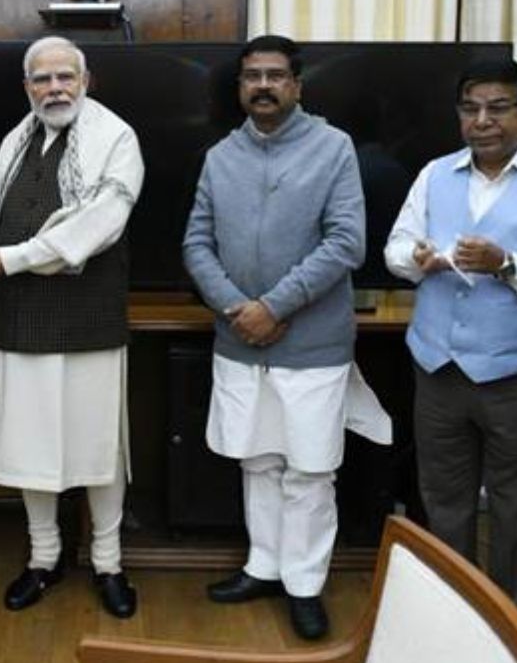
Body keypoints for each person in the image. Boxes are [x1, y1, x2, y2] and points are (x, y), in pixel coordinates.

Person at [384, 59, 517, 614]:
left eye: (498, 108)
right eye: (471, 109)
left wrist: (507, 264)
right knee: (444, 503)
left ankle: (509, 621)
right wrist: (418, 258)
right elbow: (395, 248)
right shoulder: (434, 174)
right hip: (437, 368)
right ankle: (451, 618)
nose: (483, 121)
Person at [0, 36, 144, 619]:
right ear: (27, 86)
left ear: (86, 81)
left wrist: (4, 260)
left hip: (89, 315)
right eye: (42, 79)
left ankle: (108, 564)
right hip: (21, 316)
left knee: (98, 448)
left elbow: (98, 225)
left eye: (65, 77)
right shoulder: (16, 139)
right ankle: (44, 558)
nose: (54, 88)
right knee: (31, 444)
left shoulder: (117, 138)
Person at [183, 35, 366, 641]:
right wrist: (240, 308)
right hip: (241, 340)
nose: (263, 86)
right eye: (251, 77)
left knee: (310, 471)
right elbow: (196, 243)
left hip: (312, 346)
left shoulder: (332, 147)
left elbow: (346, 242)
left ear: (297, 85)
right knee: (258, 460)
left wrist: (275, 305)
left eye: (275, 76)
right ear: (239, 88)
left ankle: (305, 584)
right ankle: (263, 566)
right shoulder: (220, 156)